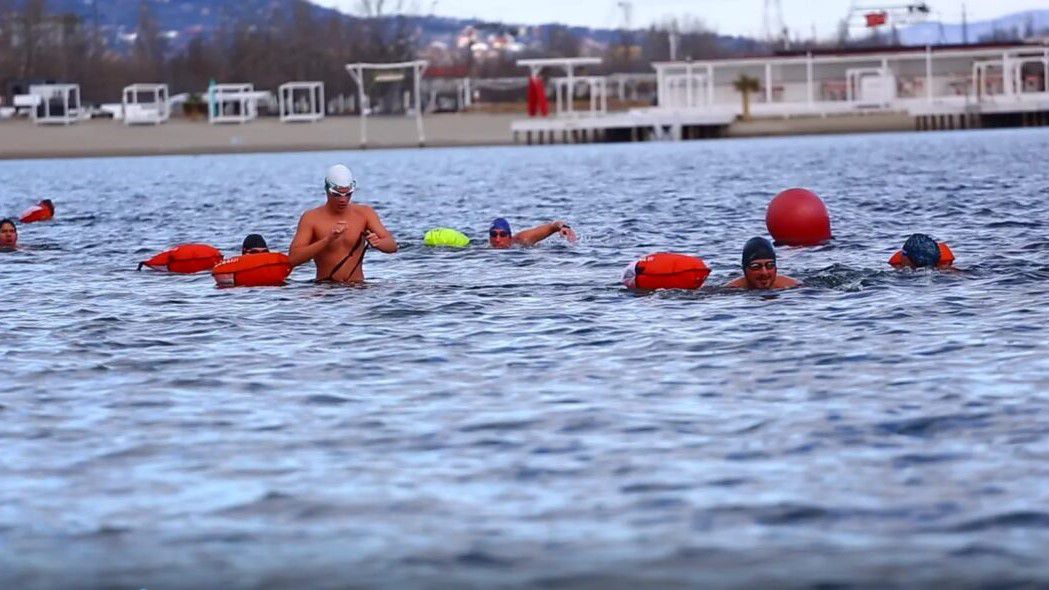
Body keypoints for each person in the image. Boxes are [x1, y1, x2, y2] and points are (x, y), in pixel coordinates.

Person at [288, 164, 397, 283]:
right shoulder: (311, 218)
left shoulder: (365, 214)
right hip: (326, 289)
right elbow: (293, 259)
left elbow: (392, 246)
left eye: (348, 194)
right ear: (326, 189)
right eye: (337, 195)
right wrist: (327, 240)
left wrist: (379, 243)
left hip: (358, 289)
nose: (343, 200)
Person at [725, 236, 799, 290]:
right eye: (756, 266)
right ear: (744, 270)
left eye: (770, 265)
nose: (764, 273)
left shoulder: (793, 286)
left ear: (776, 268)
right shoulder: (731, 289)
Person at [488, 217, 578, 249]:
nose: (498, 239)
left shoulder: (522, 239)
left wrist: (564, 227)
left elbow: (552, 226)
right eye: (494, 234)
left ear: (509, 237)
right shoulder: (484, 250)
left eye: (503, 234)